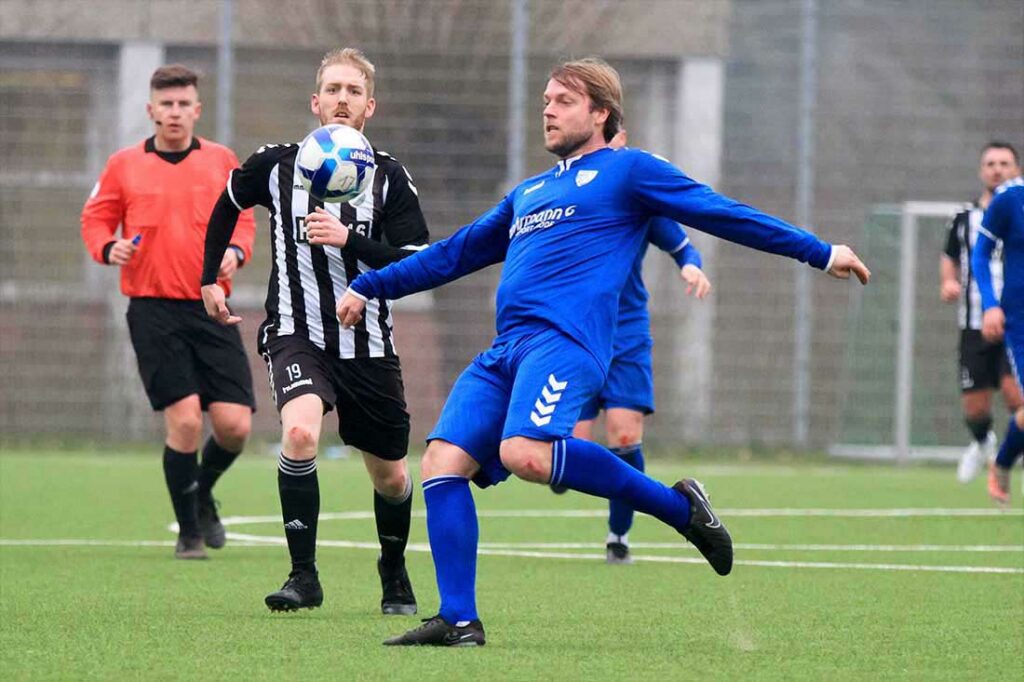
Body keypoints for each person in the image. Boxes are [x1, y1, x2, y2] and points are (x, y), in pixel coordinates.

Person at [337, 57, 870, 647]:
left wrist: (819, 251)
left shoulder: (630, 171)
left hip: (566, 345)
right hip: (505, 350)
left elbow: (723, 213)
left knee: (525, 453)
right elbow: (453, 254)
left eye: (563, 101)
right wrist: (369, 284)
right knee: (441, 464)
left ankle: (677, 509)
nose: (548, 109)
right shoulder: (529, 192)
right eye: (545, 99)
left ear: (601, 113)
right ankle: (459, 619)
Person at [200, 48, 428, 615]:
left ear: (368, 106)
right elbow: (227, 203)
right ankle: (304, 575)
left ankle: (394, 568)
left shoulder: (389, 175)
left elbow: (416, 259)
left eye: (353, 91)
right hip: (295, 331)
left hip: (369, 340)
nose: (342, 99)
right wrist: (210, 277)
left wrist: (350, 243)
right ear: (316, 102)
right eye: (332, 89)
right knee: (299, 435)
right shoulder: (278, 165)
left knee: (393, 477)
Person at [80, 64, 257, 561]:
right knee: (184, 424)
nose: (175, 112)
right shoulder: (123, 165)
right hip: (153, 310)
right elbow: (95, 219)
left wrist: (236, 253)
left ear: (197, 110)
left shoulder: (222, 161)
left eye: (184, 104)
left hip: (212, 305)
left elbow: (243, 220)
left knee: (235, 426)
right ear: (151, 110)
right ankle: (188, 533)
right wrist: (106, 246)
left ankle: (202, 494)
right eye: (166, 104)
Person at [550, 128, 713, 566]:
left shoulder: (637, 196)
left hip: (625, 333)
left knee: (623, 433)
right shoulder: (564, 194)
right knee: (566, 445)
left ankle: (618, 534)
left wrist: (692, 267)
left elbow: (680, 244)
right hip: (576, 331)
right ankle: (560, 468)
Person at [940, 142, 1023, 483]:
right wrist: (948, 283)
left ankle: (1005, 460)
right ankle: (983, 442)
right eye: (990, 163)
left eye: (1004, 162)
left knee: (1016, 395)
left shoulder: (1016, 204)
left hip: (1013, 321)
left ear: (1015, 168)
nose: (997, 169)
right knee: (975, 407)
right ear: (981, 170)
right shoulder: (964, 218)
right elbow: (953, 258)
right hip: (975, 321)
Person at [974, 174, 1024, 505]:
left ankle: (1003, 460)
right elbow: (981, 255)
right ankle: (1003, 462)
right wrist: (990, 305)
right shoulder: (1009, 199)